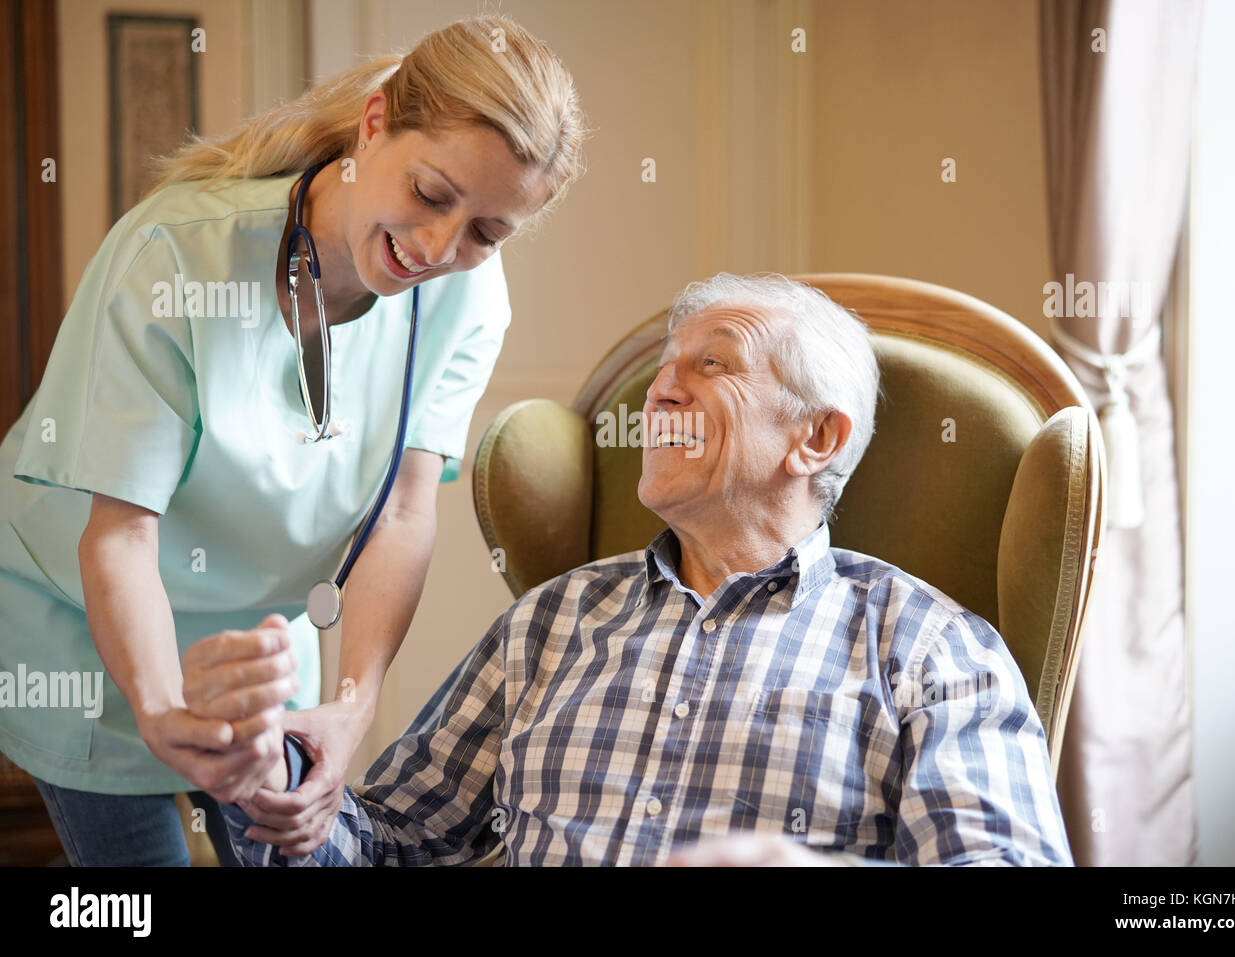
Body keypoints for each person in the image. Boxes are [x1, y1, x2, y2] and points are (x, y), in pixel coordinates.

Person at [202, 272, 1073, 866]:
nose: (662, 392)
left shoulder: (930, 649)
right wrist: (270, 776)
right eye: (664, 368)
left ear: (818, 437)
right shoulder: (551, 623)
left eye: (713, 364)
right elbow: (389, 844)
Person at [0, 14, 588, 866]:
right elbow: (120, 533)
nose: (438, 246)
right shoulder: (174, 256)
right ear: (376, 122)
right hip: (82, 625)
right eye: (430, 194)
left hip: (262, 643)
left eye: (486, 232)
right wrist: (162, 707)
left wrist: (351, 705)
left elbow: (402, 514)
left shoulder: (471, 298)